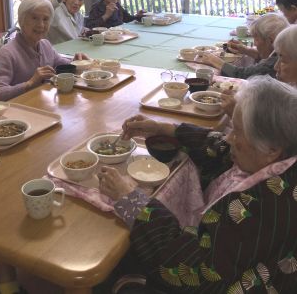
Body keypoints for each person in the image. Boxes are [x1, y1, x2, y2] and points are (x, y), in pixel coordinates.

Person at [98, 76, 297, 293]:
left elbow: (192, 267)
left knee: (114, 263)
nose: (229, 138)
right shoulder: (280, 157)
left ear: (271, 149)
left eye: (238, 131)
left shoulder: (264, 205)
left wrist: (130, 199)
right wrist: (162, 128)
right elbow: (219, 147)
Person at [0, 0, 88, 101]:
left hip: (42, 106)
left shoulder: (45, 45)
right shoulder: (7, 53)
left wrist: (76, 63)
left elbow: (61, 64)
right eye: (34, 18)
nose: (41, 25)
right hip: (19, 111)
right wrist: (29, 84)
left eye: (46, 19)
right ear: (22, 20)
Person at [201, 12, 288, 78]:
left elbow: (241, 74)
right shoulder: (285, 48)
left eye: (256, 39)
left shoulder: (276, 63)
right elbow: (267, 55)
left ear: (270, 41)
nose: (254, 43)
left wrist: (213, 60)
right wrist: (245, 49)